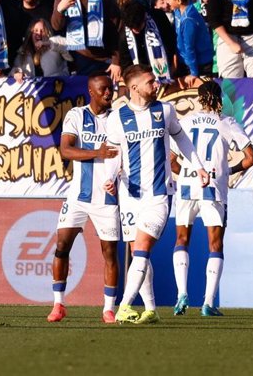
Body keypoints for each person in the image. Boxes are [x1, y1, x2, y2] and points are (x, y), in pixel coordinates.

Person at [103, 64, 210, 324]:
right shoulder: (117, 118)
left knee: (142, 248)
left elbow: (182, 139)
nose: (156, 84)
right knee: (138, 251)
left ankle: (124, 307)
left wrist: (198, 167)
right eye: (150, 82)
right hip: (130, 194)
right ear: (134, 87)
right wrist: (109, 177)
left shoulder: (165, 110)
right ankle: (150, 309)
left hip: (159, 194)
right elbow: (112, 151)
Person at [171, 80, 253, 316]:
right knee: (216, 245)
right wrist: (228, 170)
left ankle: (181, 295)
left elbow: (171, 160)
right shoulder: (227, 123)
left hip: (188, 185)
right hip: (213, 187)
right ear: (220, 99)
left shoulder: (185, 122)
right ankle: (208, 303)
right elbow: (251, 157)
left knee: (181, 239)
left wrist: (187, 174)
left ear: (199, 99)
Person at [47, 72, 120, 324]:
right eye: (103, 90)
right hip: (78, 195)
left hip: (107, 198)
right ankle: (58, 304)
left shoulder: (118, 118)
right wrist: (96, 152)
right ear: (91, 91)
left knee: (110, 253)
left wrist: (120, 178)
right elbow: (65, 149)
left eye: (110, 88)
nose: (108, 93)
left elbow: (126, 155)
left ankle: (108, 309)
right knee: (61, 246)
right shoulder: (76, 115)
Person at [51, 0, 122, 79]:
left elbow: (117, 29)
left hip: (104, 56)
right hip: (78, 55)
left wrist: (116, 61)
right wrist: (60, 9)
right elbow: (56, 26)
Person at [165, 0, 213, 77]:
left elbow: (189, 46)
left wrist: (193, 73)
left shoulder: (189, 20)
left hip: (199, 65)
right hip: (186, 62)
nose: (167, 2)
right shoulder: (178, 11)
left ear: (178, 1)